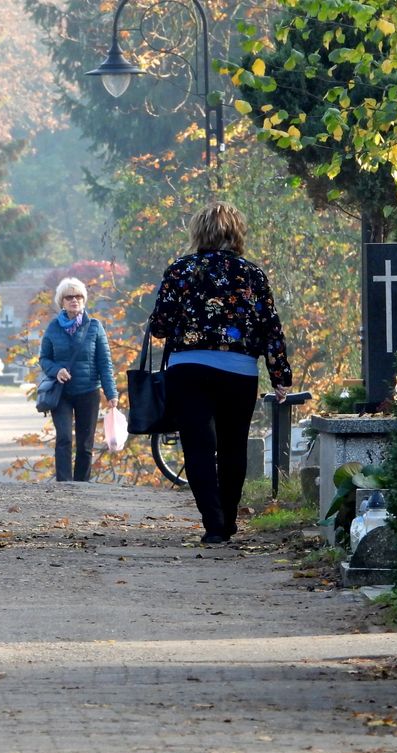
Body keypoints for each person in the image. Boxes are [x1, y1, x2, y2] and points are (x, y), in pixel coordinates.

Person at [148, 201, 292, 544]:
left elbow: (160, 326)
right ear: (236, 233)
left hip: (189, 370)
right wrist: (280, 376)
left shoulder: (181, 270)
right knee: (233, 447)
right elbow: (270, 328)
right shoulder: (252, 274)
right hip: (239, 373)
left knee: (197, 448)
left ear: (198, 232)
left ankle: (214, 525)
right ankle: (228, 518)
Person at [38, 277, 119, 482]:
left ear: (84, 300)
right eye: (69, 297)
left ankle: (82, 486)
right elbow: (44, 359)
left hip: (89, 391)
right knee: (64, 437)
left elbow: (104, 362)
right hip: (61, 393)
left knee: (85, 443)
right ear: (62, 302)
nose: (74, 300)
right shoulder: (53, 328)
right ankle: (64, 484)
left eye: (79, 296)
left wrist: (111, 393)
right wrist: (57, 370)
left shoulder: (95, 327)